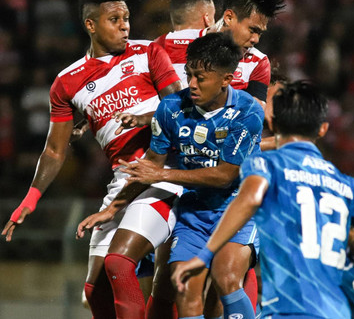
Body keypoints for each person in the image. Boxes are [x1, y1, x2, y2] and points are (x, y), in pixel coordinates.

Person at [2, 0, 184, 318]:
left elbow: (179, 108)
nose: (125, 25)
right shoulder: (67, 82)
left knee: (119, 264)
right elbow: (55, 150)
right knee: (95, 289)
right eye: (114, 19)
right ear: (91, 25)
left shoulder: (148, 53)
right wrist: (30, 199)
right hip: (122, 180)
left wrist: (145, 118)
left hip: (163, 173)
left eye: (126, 17)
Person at [171, 81, 354, 319]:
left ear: (272, 123)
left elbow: (249, 199)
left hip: (288, 308)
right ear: (322, 129)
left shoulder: (265, 165)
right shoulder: (347, 184)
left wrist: (204, 255)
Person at [80, 32, 265, 319]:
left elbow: (226, 175)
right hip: (191, 215)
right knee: (184, 289)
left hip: (236, 210)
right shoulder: (171, 108)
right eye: (189, 74)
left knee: (226, 279)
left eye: (200, 78)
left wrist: (162, 173)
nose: (191, 84)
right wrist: (114, 208)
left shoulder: (247, 111)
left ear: (226, 79)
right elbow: (151, 164)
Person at [156, 0, 285, 105]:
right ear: (229, 17)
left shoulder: (258, 62)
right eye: (252, 30)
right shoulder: (167, 44)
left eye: (260, 33)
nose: (256, 40)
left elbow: (254, 115)